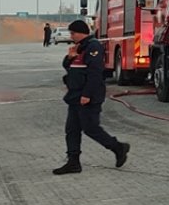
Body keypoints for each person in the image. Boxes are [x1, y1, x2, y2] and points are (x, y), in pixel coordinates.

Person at [52, 20, 129, 175]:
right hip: (74, 96)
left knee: (91, 128)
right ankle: (73, 162)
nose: (71, 36)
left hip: (88, 96)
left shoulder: (93, 47)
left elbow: (95, 74)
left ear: (81, 32)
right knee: (72, 130)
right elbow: (68, 66)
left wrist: (87, 94)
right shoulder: (78, 47)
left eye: (73, 33)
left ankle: (118, 147)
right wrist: (70, 58)